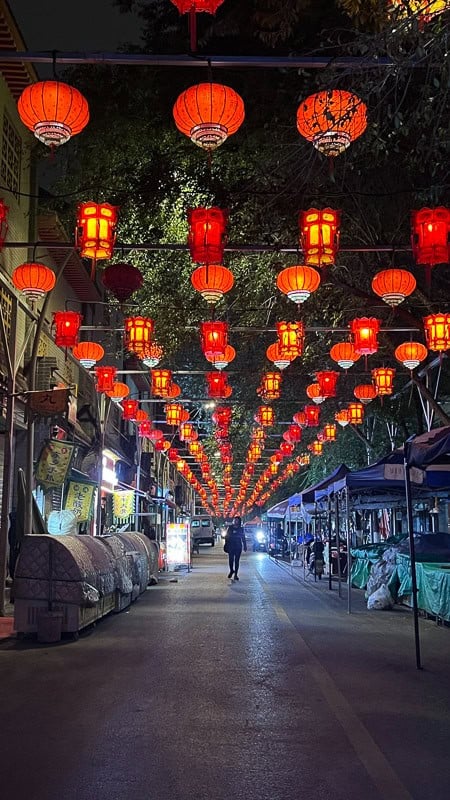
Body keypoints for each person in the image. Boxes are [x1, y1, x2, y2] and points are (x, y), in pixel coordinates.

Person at [225, 516, 247, 580]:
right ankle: (231, 570)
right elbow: (227, 536)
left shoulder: (241, 529)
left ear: (239, 521)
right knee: (231, 560)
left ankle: (236, 575)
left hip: (238, 546)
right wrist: (226, 544)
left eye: (237, 520)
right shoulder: (230, 528)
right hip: (231, 546)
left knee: (237, 561)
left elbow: (243, 537)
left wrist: (245, 546)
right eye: (235, 520)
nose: (236, 521)